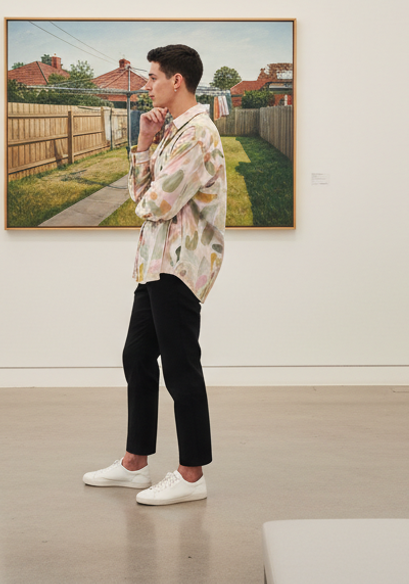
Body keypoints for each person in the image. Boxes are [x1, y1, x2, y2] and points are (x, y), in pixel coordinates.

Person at [83, 45, 227, 506]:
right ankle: (134, 464)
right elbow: (139, 191)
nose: (147, 85)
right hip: (154, 263)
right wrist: (144, 143)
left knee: (181, 366)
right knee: (137, 358)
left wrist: (146, 191)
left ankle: (191, 474)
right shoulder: (169, 131)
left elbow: (152, 204)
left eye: (152, 77)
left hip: (179, 265)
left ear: (176, 81)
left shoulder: (197, 135)